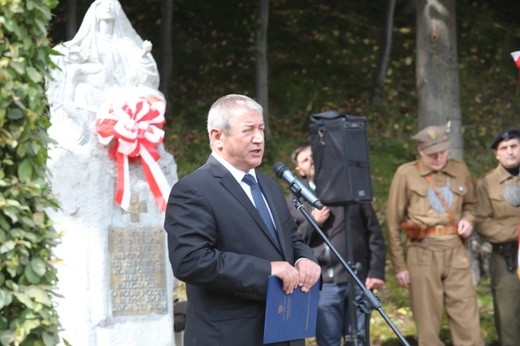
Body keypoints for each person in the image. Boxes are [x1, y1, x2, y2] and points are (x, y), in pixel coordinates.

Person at [164, 94, 321, 346]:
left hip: (283, 330)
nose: (259, 138)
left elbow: (290, 237)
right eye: (248, 130)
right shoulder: (194, 189)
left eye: (261, 129)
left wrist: (305, 258)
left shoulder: (268, 185)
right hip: (230, 336)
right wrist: (268, 270)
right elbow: (190, 261)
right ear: (217, 137)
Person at [386, 125, 484, 346]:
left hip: (455, 251)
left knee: (468, 320)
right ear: (420, 151)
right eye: (433, 154)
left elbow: (471, 204)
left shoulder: (460, 169)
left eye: (443, 151)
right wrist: (400, 266)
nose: (439, 158)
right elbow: (393, 223)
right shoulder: (406, 173)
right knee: (428, 326)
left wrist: (468, 220)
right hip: (423, 252)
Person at [286, 142, 386, 346]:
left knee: (358, 340)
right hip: (323, 284)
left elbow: (373, 232)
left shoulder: (350, 191)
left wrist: (376, 271)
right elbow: (292, 242)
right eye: (305, 159)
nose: (311, 161)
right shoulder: (293, 202)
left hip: (357, 279)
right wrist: (312, 221)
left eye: (314, 156)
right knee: (328, 340)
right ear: (299, 170)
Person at [475, 128, 520, 346]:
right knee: (508, 320)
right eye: (504, 148)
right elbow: (482, 223)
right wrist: (517, 232)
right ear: (496, 154)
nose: (510, 152)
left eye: (514, 146)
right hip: (506, 259)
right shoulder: (486, 183)